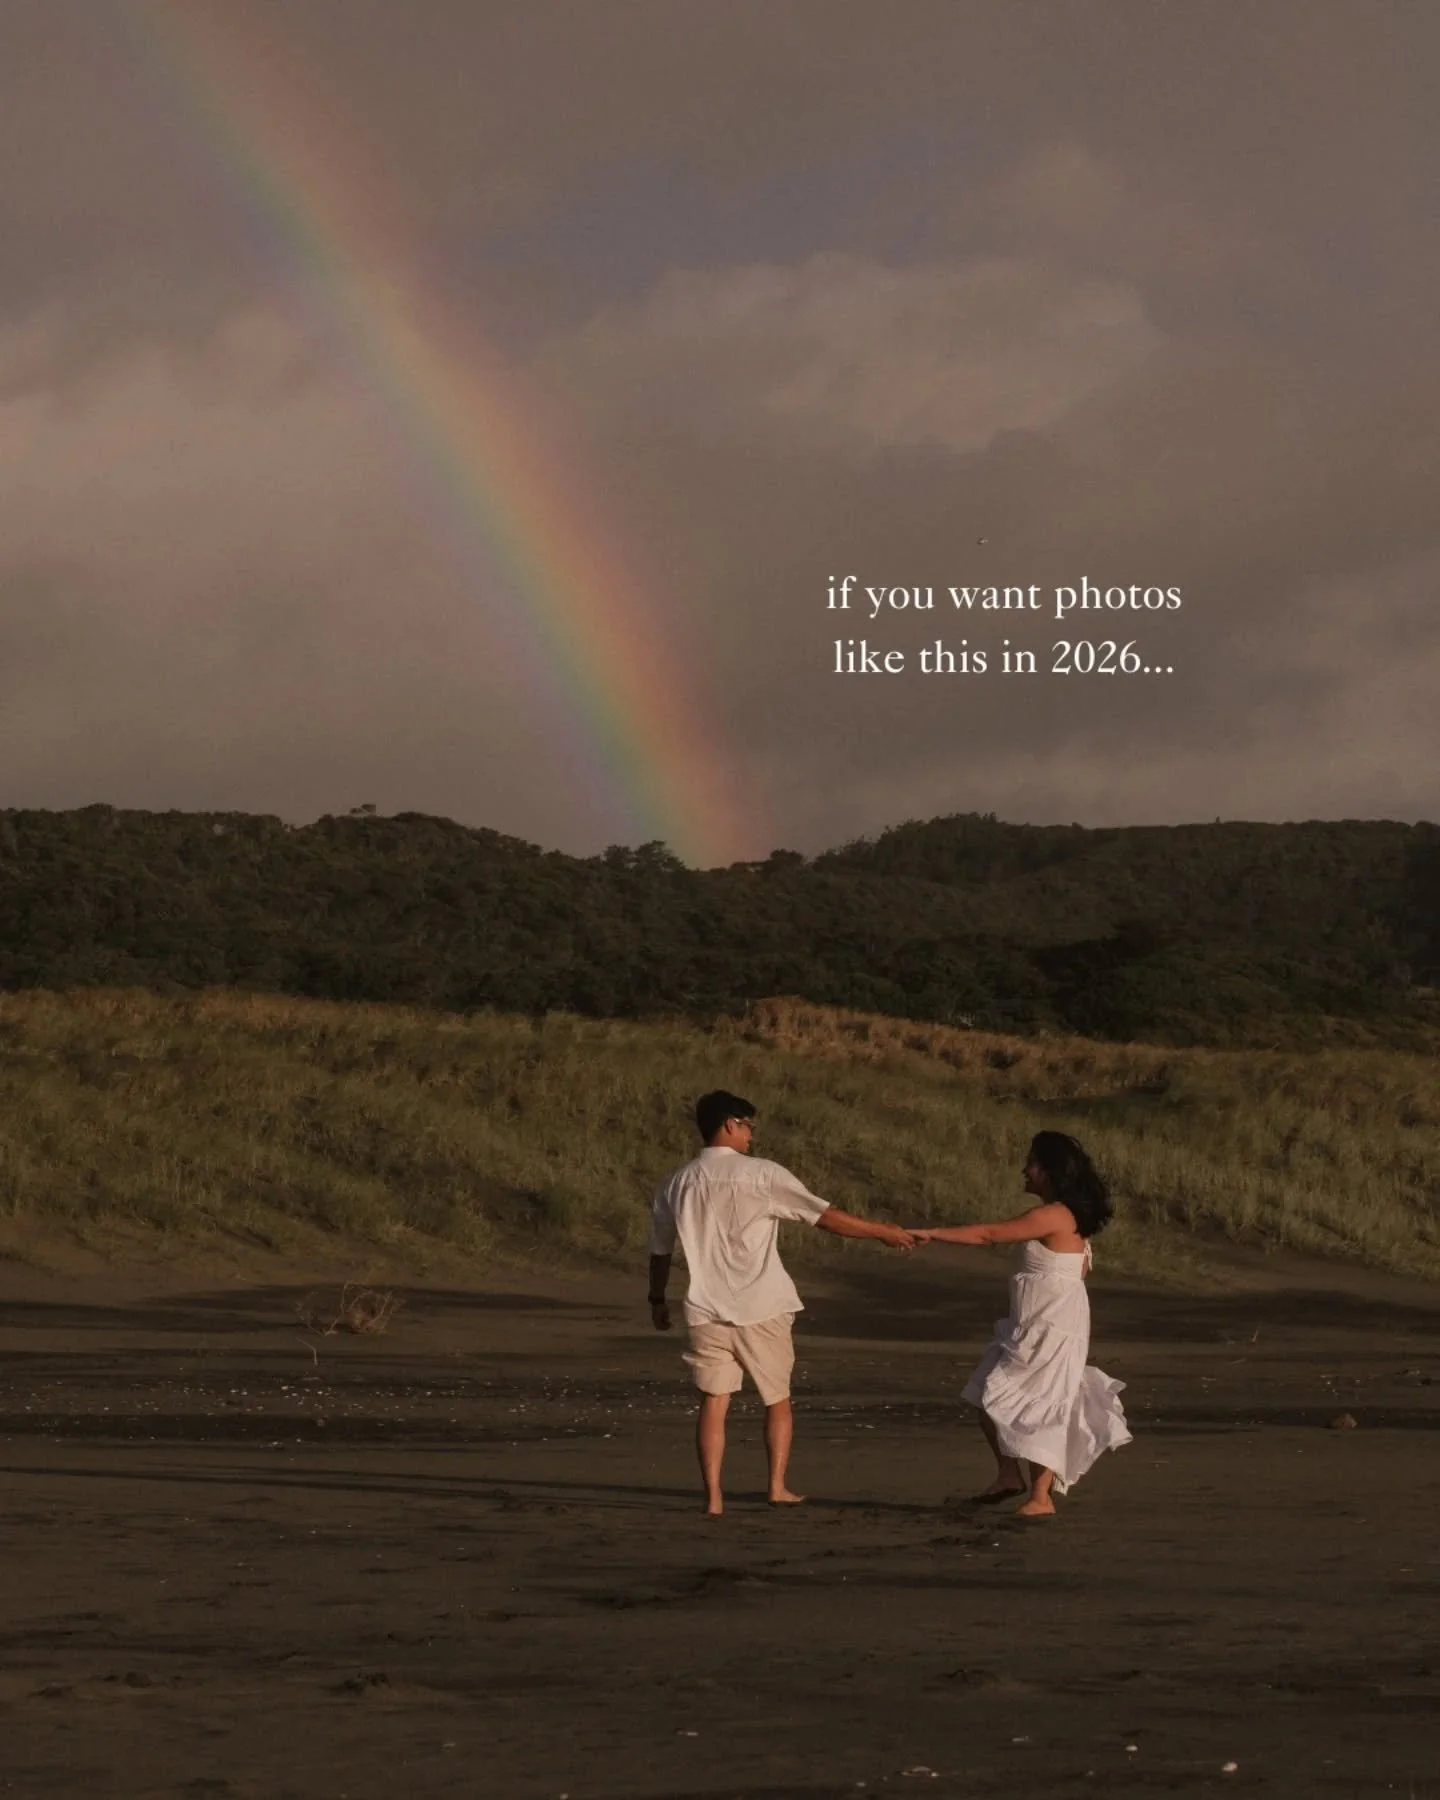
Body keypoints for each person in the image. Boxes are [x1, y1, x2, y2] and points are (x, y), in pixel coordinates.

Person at [648, 1089, 916, 1516]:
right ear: (730, 1124)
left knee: (714, 1401)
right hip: (761, 1304)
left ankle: (713, 1499)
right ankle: (776, 1486)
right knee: (777, 1398)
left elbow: (660, 1249)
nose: (751, 1135)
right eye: (748, 1125)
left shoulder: (676, 1182)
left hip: (704, 1307)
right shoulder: (762, 1174)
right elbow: (824, 1217)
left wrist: (656, 1298)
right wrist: (881, 1231)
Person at [911, 1130, 1130, 1517]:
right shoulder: (1064, 1215)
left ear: (1048, 1171)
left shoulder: (1055, 1215)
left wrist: (931, 1233)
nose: (1024, 1170)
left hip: (1050, 1328)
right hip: (1032, 1323)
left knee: (1041, 1405)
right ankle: (1010, 1476)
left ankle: (1040, 1498)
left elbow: (989, 1234)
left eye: (1031, 1163)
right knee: (985, 1394)